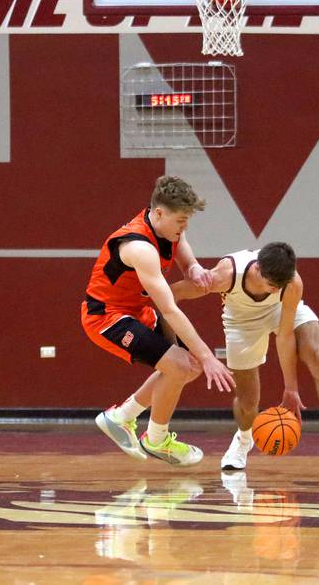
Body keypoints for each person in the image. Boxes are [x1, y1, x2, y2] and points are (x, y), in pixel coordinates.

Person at [81, 175, 235, 467]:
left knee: (188, 368)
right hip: (106, 317)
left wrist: (194, 268)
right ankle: (156, 440)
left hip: (136, 310)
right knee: (181, 364)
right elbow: (171, 309)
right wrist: (209, 356)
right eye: (181, 220)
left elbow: (184, 255)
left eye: (187, 220)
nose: (185, 227)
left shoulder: (170, 231)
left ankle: (122, 417)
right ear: (160, 213)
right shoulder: (140, 248)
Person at [172, 242, 319, 471]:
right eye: (271, 285)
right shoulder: (226, 274)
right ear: (257, 270)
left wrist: (291, 388)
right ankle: (244, 440)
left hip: (280, 311)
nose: (275, 289)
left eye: (279, 285)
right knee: (247, 402)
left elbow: (284, 337)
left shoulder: (291, 283)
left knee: (315, 353)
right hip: (242, 322)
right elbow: (172, 294)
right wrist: (173, 343)